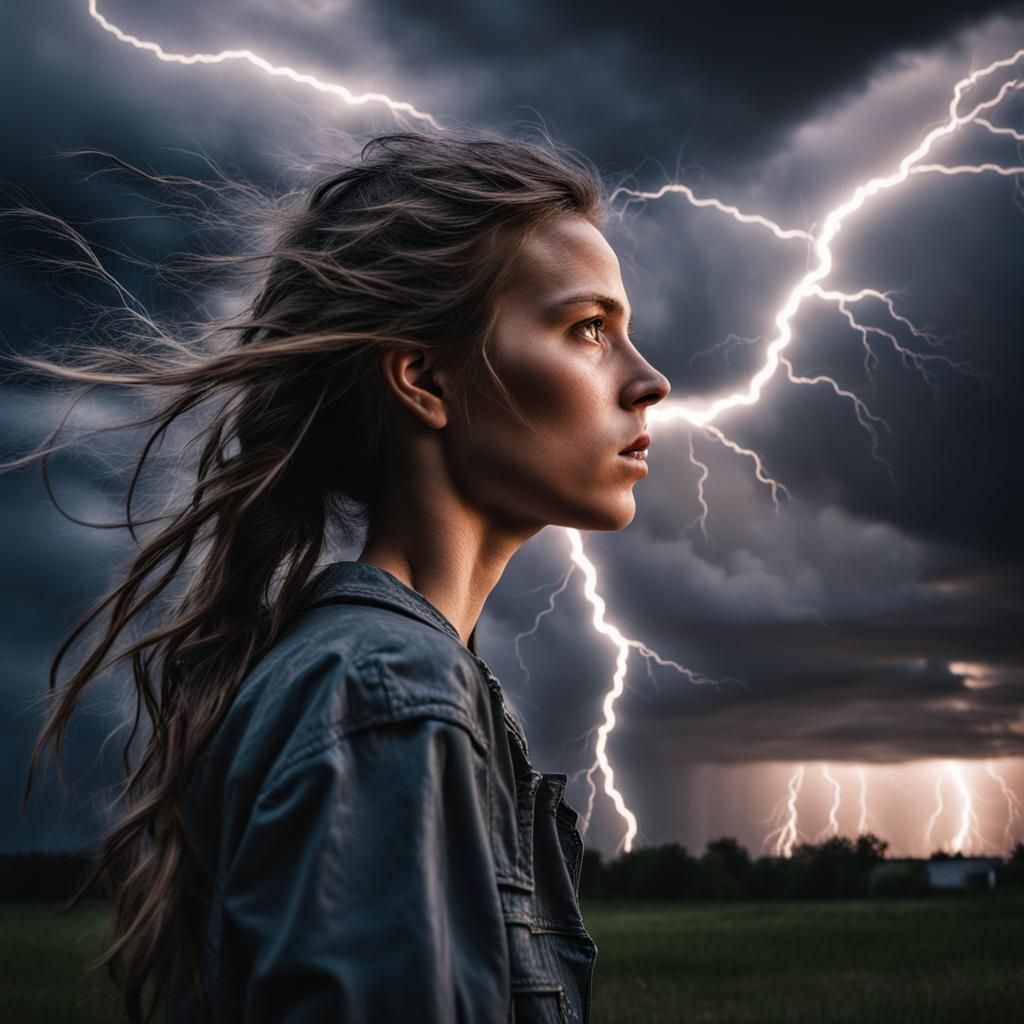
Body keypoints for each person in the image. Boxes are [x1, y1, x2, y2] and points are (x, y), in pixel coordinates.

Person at [11, 127, 670, 1022]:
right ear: (423, 380)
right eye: (588, 329)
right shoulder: (388, 692)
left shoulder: (382, 677)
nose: (650, 382)